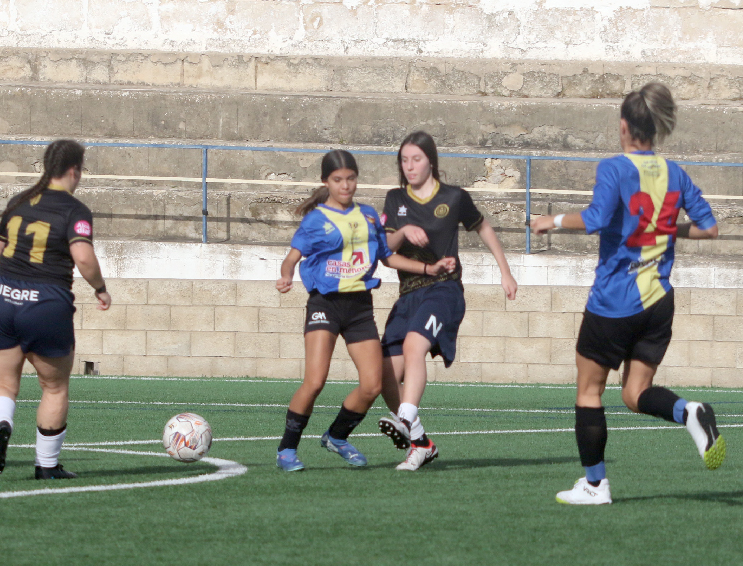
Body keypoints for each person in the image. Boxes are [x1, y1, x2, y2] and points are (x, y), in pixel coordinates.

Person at [532, 82, 724, 505]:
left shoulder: (614, 168)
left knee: (589, 391)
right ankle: (688, 411)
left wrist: (553, 220)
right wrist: (665, 229)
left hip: (614, 301)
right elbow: (710, 229)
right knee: (635, 394)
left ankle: (595, 485)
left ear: (623, 127)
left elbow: (597, 218)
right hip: (659, 301)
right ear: (655, 129)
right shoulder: (675, 173)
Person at [275, 150, 454, 471]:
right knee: (315, 382)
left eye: (351, 178)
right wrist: (286, 275)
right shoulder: (316, 219)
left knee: (373, 385)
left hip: (359, 307)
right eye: (337, 180)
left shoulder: (369, 215)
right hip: (325, 304)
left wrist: (429, 268)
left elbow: (388, 256)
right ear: (326, 182)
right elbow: (291, 258)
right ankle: (287, 449)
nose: (345, 185)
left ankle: (336, 436)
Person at [376, 131, 518, 470]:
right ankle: (421, 443)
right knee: (384, 376)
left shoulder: (454, 197)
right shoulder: (395, 199)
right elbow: (386, 252)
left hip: (443, 290)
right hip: (408, 294)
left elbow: (483, 228)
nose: (410, 166)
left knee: (414, 346)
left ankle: (405, 418)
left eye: (416, 159)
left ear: (431, 161)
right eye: (404, 160)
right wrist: (403, 231)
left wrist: (505, 271)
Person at [0, 139, 111, 480]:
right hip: (47, 300)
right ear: (74, 170)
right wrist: (100, 288)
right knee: (53, 387)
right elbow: (83, 257)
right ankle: (47, 466)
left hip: (0, 294)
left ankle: (3, 424)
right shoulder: (74, 210)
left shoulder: (19, 201)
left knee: (1, 383)